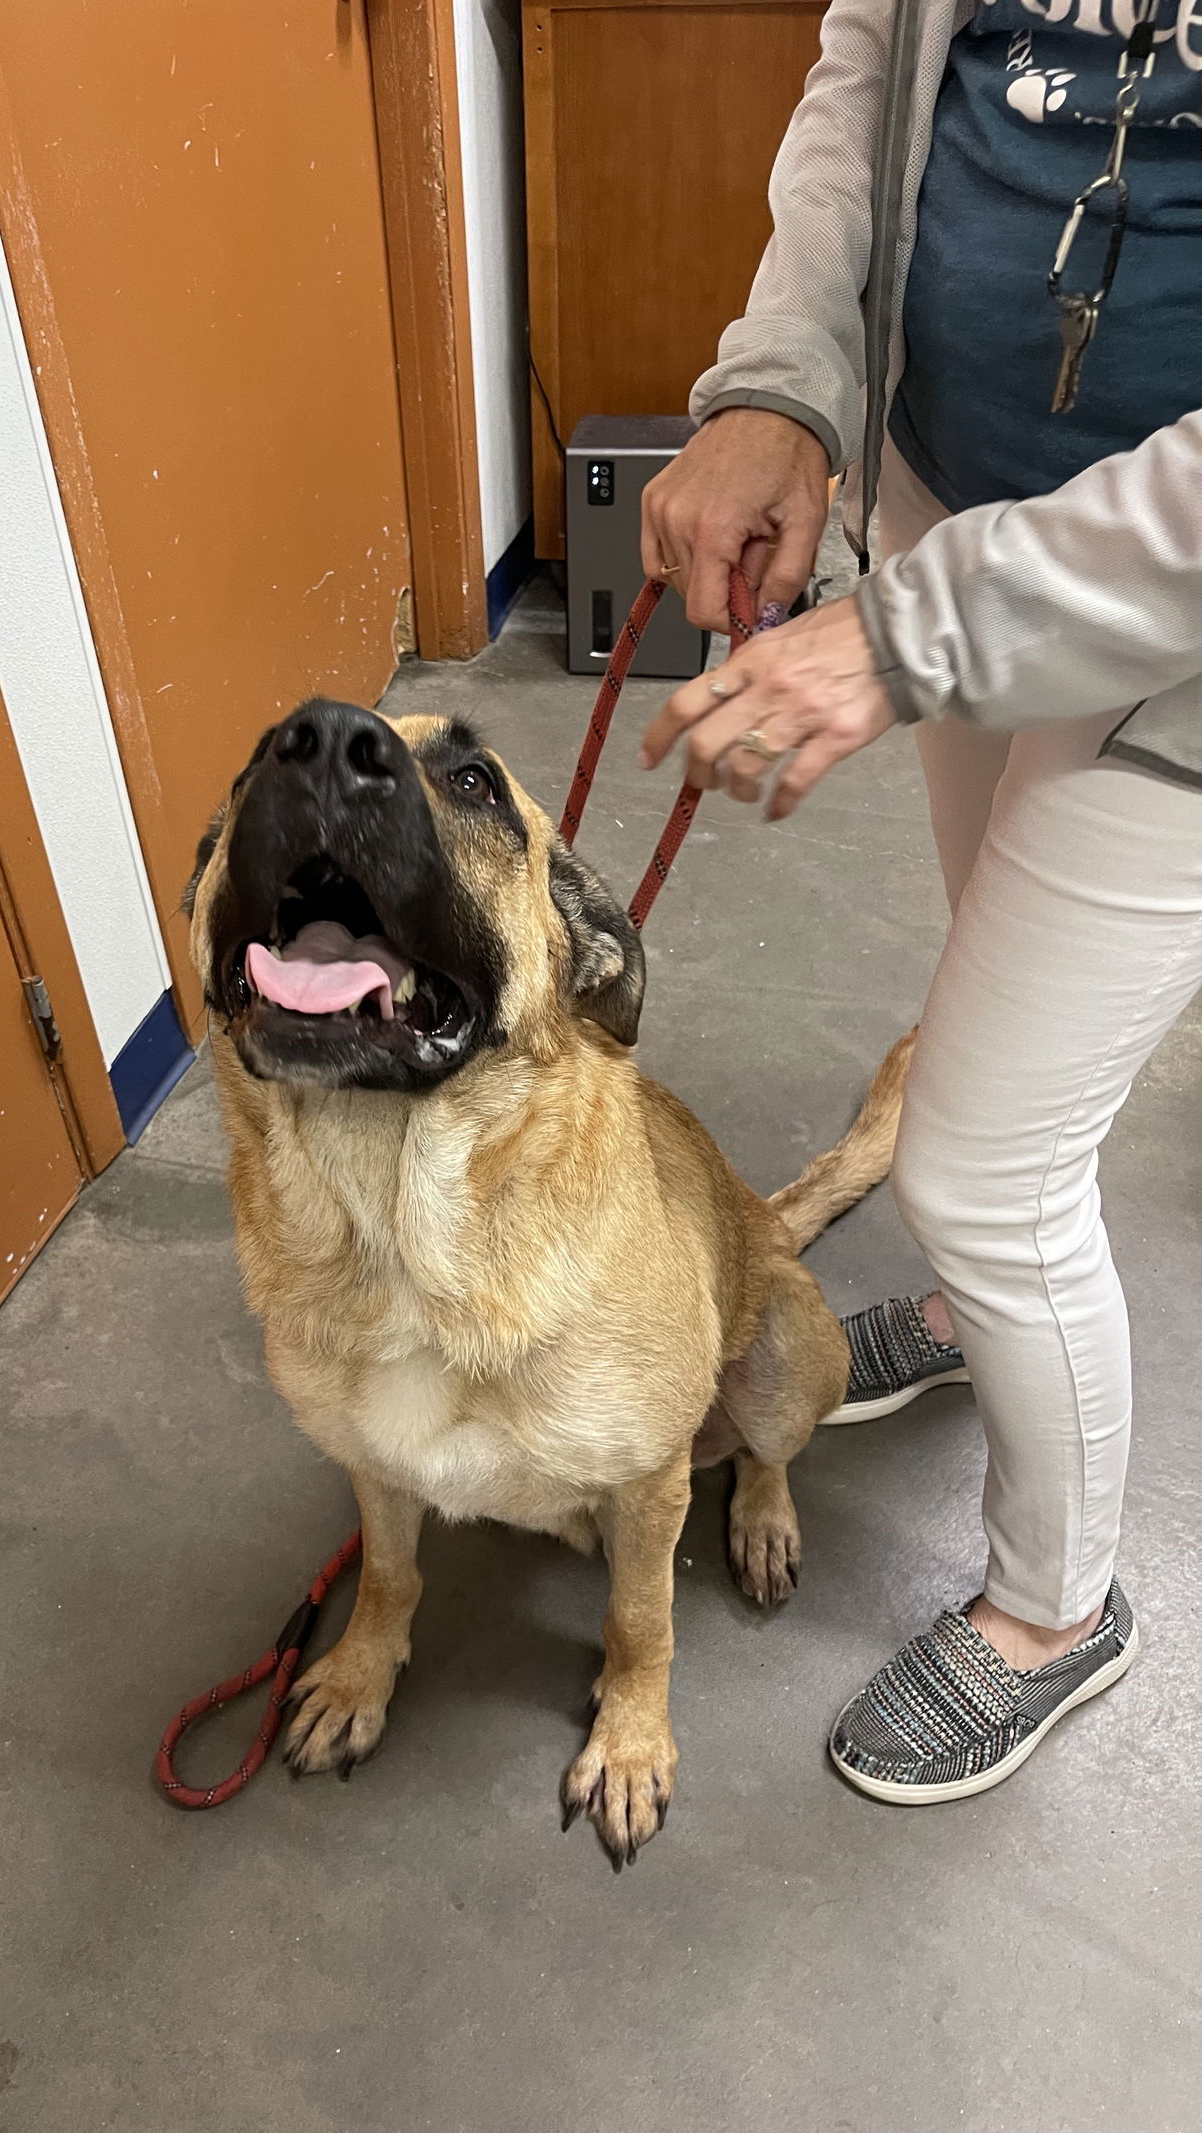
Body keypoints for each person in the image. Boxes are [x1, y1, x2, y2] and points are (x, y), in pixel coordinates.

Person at [636, 0, 1202, 1803]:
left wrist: (901, 635)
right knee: (994, 978)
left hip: (1184, 637)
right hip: (969, 504)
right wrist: (783, 389)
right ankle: (977, 1313)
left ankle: (1059, 1604)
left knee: (980, 1157)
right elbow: (875, 76)